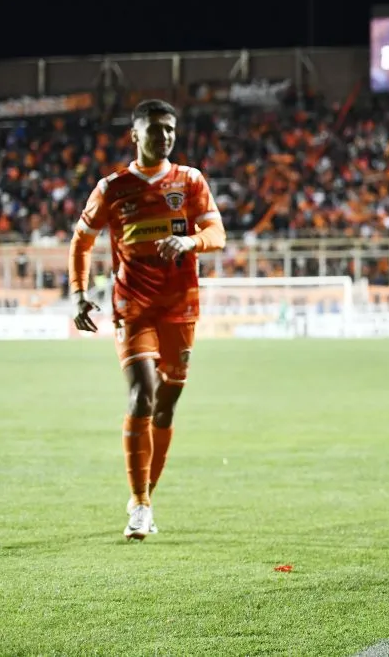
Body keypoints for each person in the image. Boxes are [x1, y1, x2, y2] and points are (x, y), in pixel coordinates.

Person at [69, 99, 226, 540]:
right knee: (142, 393)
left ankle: (146, 495)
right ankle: (138, 504)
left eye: (171, 129)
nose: (166, 136)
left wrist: (190, 242)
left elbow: (218, 233)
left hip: (181, 307)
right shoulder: (113, 188)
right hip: (133, 307)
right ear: (135, 135)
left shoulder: (190, 181)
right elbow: (81, 241)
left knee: (167, 404)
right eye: (156, 129)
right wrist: (79, 294)